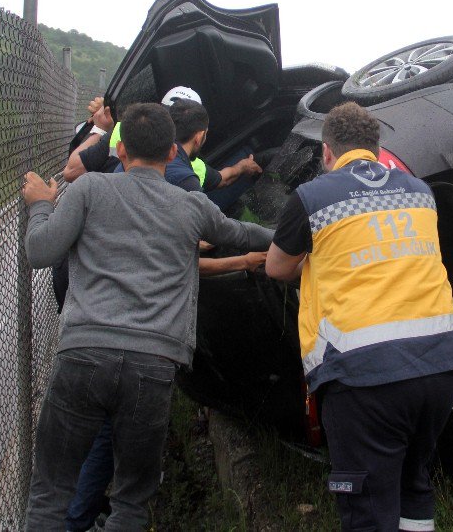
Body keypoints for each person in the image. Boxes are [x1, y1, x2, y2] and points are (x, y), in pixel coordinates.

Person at [21, 103, 273, 531]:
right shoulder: (192, 205)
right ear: (174, 154)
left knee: (50, 493)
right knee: (131, 505)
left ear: (120, 152)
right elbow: (243, 234)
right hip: (153, 366)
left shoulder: (88, 191)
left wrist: (42, 205)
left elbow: (40, 251)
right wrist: (307, 234)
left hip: (83, 353)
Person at [265, 102, 453, 532]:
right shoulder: (419, 191)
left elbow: (278, 268)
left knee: (368, 511)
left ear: (326, 153)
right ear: (377, 149)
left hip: (364, 376)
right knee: (414, 485)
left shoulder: (312, 197)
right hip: (441, 365)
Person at [164, 98, 263, 199]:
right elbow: (225, 179)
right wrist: (243, 166)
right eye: (205, 133)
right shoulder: (191, 177)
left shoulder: (151, 145)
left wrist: (243, 166)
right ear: (199, 137)